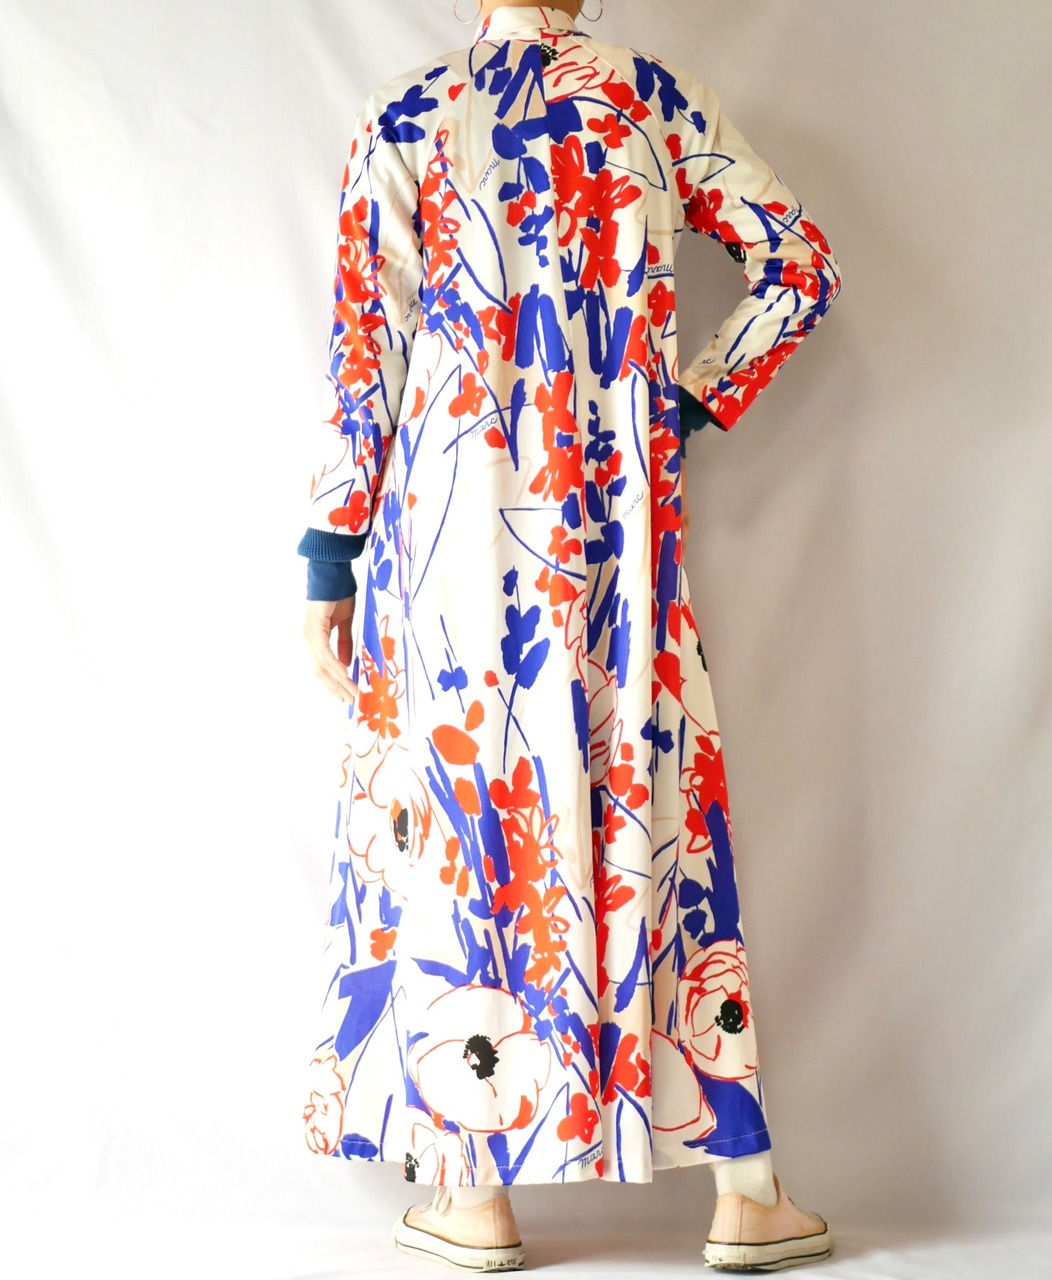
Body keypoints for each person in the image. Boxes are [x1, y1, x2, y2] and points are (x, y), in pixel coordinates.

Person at [297, 0, 842, 1270]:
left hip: (449, 530)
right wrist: (680, 404)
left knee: (463, 818)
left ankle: (475, 1194)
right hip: (615, 527)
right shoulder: (651, 101)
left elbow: (365, 353)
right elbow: (798, 266)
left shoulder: (411, 113)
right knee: (654, 808)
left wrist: (331, 549)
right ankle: (745, 1187)